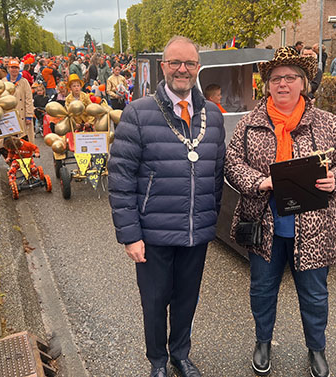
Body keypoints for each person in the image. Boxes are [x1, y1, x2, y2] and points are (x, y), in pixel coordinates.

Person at [224, 46, 336, 377]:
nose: (282, 84)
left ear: (303, 83)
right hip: (264, 225)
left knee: (314, 296)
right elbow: (231, 163)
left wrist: (335, 180)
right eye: (275, 78)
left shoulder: (327, 123)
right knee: (261, 291)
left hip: (314, 228)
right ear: (267, 84)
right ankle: (262, 342)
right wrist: (260, 181)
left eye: (290, 77)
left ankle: (316, 349)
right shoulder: (250, 124)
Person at [108, 35, 225, 377]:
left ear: (198, 68)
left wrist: (210, 221)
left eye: (189, 63)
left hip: (196, 233)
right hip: (153, 234)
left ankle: (181, 355)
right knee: (156, 303)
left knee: (187, 300)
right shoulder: (138, 113)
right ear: (163, 67)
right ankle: (158, 362)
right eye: (175, 62)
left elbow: (216, 175)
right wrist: (130, 235)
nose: (182, 70)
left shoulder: (213, 116)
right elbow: (121, 178)